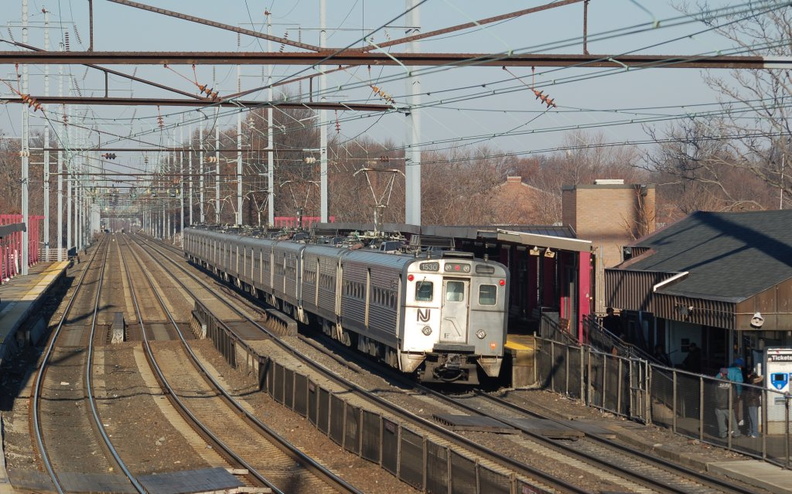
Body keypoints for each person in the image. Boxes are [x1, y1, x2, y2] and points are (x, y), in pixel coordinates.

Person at [714, 367, 741, 438]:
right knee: (733, 420)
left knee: (721, 421)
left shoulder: (717, 382)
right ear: (727, 374)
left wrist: (716, 402)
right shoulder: (731, 383)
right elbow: (734, 394)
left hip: (719, 405)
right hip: (729, 405)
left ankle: (723, 434)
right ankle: (736, 433)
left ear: (720, 374)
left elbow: (713, 394)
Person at [744, 372, 763, 438]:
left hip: (751, 402)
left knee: (752, 418)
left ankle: (754, 432)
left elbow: (750, 393)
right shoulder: (758, 382)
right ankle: (752, 432)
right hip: (755, 401)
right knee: (752, 417)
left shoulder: (751, 381)